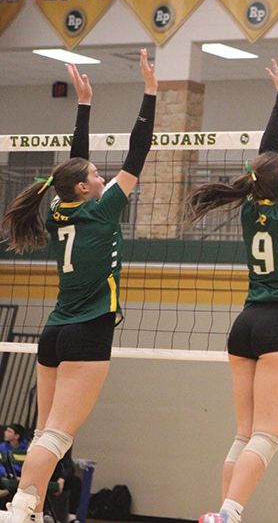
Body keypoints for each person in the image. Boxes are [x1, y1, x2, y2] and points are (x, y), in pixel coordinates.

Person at [0, 50, 157, 523]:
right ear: (86, 189)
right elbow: (138, 153)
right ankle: (20, 507)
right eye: (95, 175)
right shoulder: (102, 209)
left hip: (55, 332)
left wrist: (84, 105)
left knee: (46, 432)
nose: (100, 174)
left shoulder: (58, 208)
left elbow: (72, 165)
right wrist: (150, 92)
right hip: (88, 331)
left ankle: (30, 510)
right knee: (56, 435)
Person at [190, 54, 278, 523]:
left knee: (244, 434)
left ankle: (224, 513)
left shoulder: (250, 206)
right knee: (265, 436)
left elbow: (269, 159)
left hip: (245, 323)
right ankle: (229, 512)